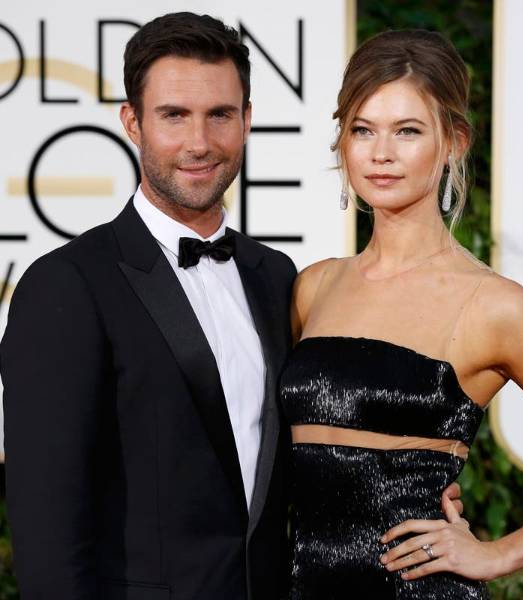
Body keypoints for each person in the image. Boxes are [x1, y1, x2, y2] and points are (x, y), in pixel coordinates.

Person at [0, 13, 465, 600]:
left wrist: (409, 487)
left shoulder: (275, 277)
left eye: (219, 115)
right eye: (174, 115)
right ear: (132, 122)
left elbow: (309, 447)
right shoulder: (66, 285)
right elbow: (47, 536)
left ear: (246, 120)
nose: (199, 142)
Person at [281, 29, 523, 600]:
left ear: (453, 141)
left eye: (407, 131)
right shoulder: (314, 287)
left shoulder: (494, 306)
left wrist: (498, 553)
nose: (381, 153)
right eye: (362, 130)